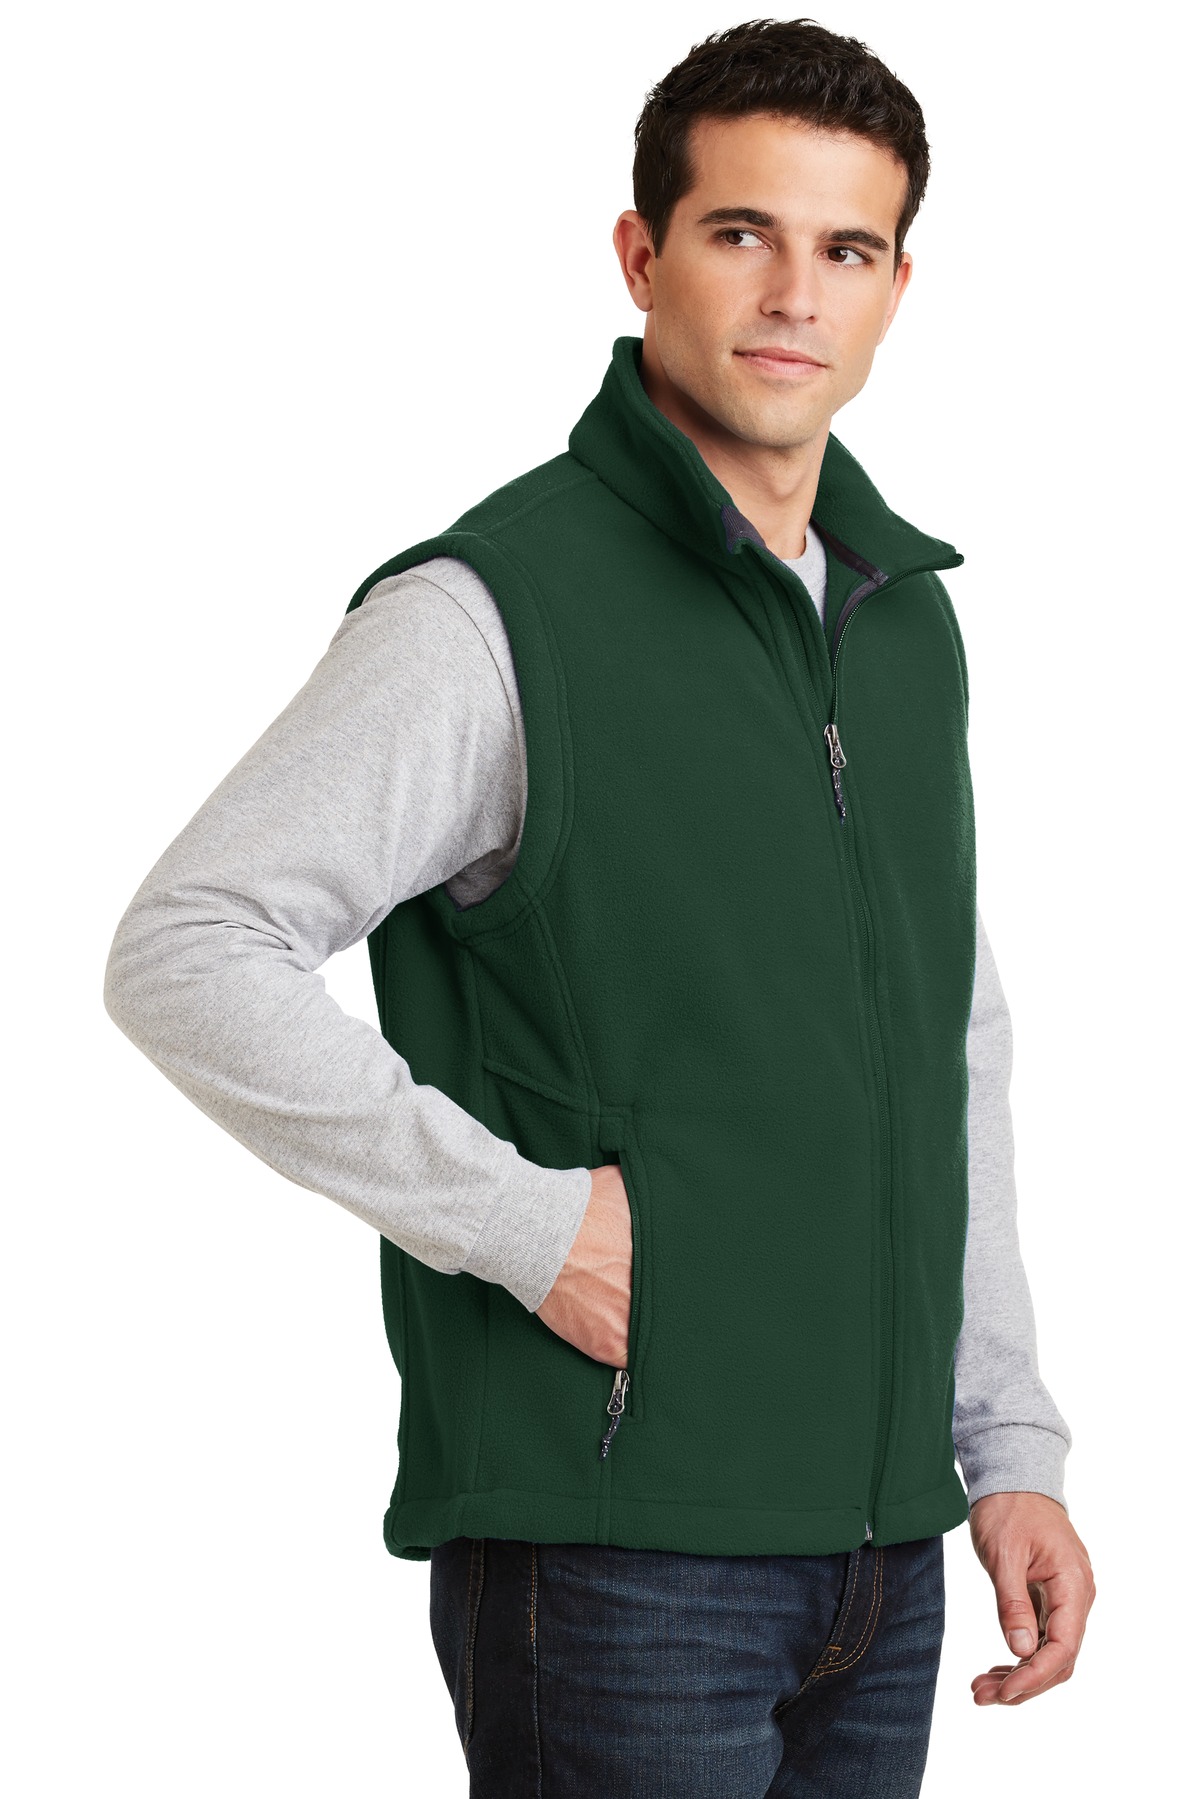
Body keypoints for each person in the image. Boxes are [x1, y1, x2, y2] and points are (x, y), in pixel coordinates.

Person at [103, 16, 1095, 1796]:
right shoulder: (493, 612)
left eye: (845, 249)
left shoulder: (902, 619)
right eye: (741, 232)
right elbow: (189, 945)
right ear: (642, 255)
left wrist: (1004, 1441)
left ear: (897, 287)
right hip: (623, 1556)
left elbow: (950, 1036)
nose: (792, 294)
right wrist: (527, 1225)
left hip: (886, 1554)